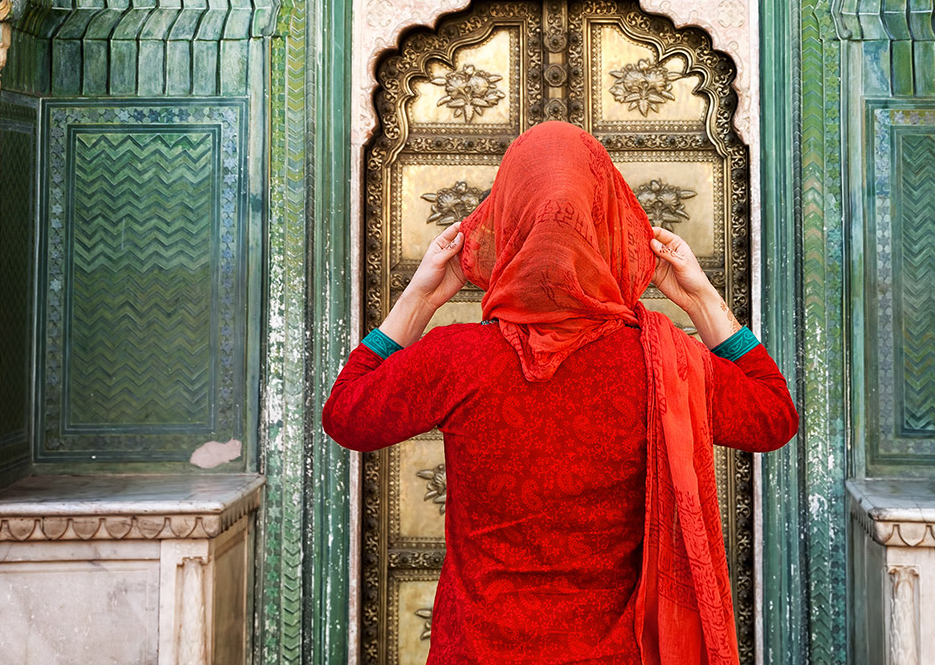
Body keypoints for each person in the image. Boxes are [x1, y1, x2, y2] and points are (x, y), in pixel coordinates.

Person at [323, 121, 797, 665]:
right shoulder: (661, 363)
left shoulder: (454, 359)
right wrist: (702, 301)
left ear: (506, 221)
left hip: (477, 652)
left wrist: (420, 298)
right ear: (608, 222)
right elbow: (773, 416)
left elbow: (346, 415)